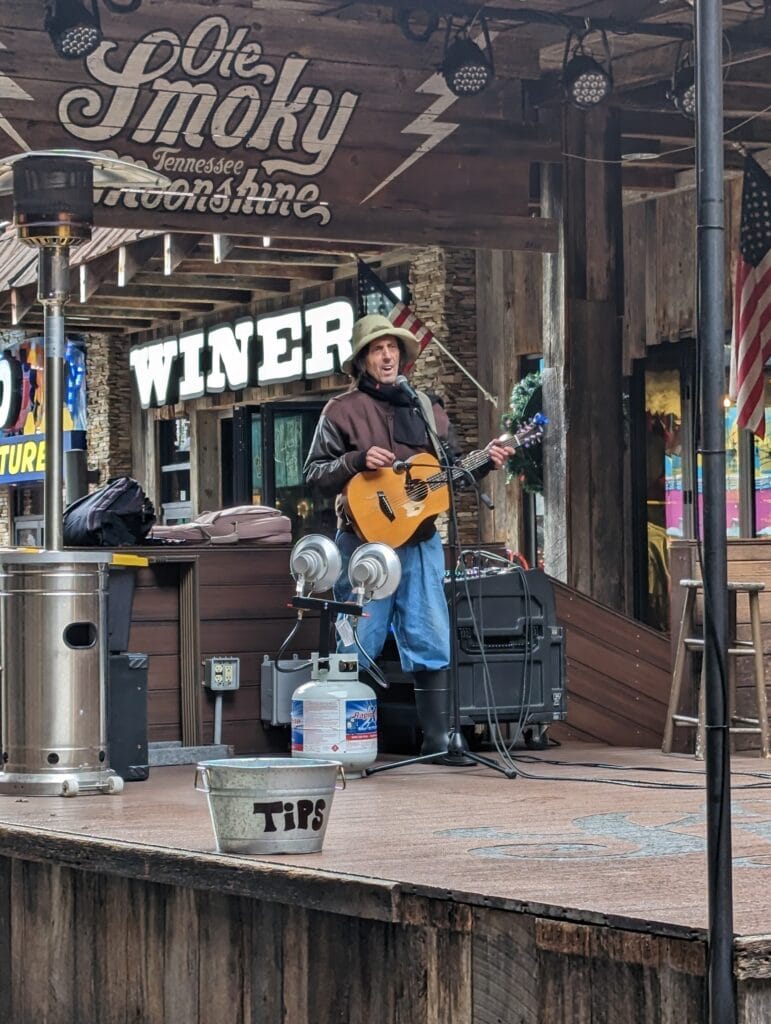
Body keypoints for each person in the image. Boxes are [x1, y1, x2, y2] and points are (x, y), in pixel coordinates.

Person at [303, 313, 513, 761]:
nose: (387, 355)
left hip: (419, 540)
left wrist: (486, 463)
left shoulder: (426, 406)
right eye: (378, 349)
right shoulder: (340, 411)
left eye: (393, 348)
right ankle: (349, 739)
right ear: (361, 360)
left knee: (430, 632)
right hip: (363, 543)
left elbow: (447, 473)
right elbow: (314, 474)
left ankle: (438, 739)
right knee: (360, 637)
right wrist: (357, 460)